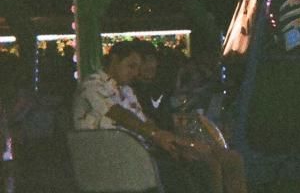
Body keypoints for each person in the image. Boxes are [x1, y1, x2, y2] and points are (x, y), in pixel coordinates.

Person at [72, 40, 247, 193]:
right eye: (131, 66)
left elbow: (143, 121)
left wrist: (170, 139)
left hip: (140, 151)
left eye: (137, 68)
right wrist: (157, 135)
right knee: (202, 167)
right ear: (114, 60)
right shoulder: (93, 85)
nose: (135, 73)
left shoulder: (125, 89)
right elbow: (119, 114)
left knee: (224, 159)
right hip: (113, 157)